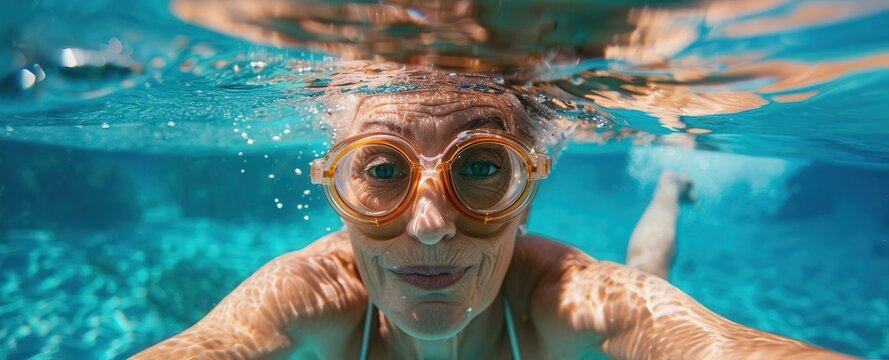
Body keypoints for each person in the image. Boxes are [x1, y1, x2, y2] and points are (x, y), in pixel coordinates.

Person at [134, 70, 852, 359]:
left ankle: (668, 189)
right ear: (336, 192)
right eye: (381, 173)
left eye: (480, 170)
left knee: (648, 278)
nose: (429, 225)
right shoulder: (314, 292)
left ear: (527, 193)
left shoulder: (563, 298)